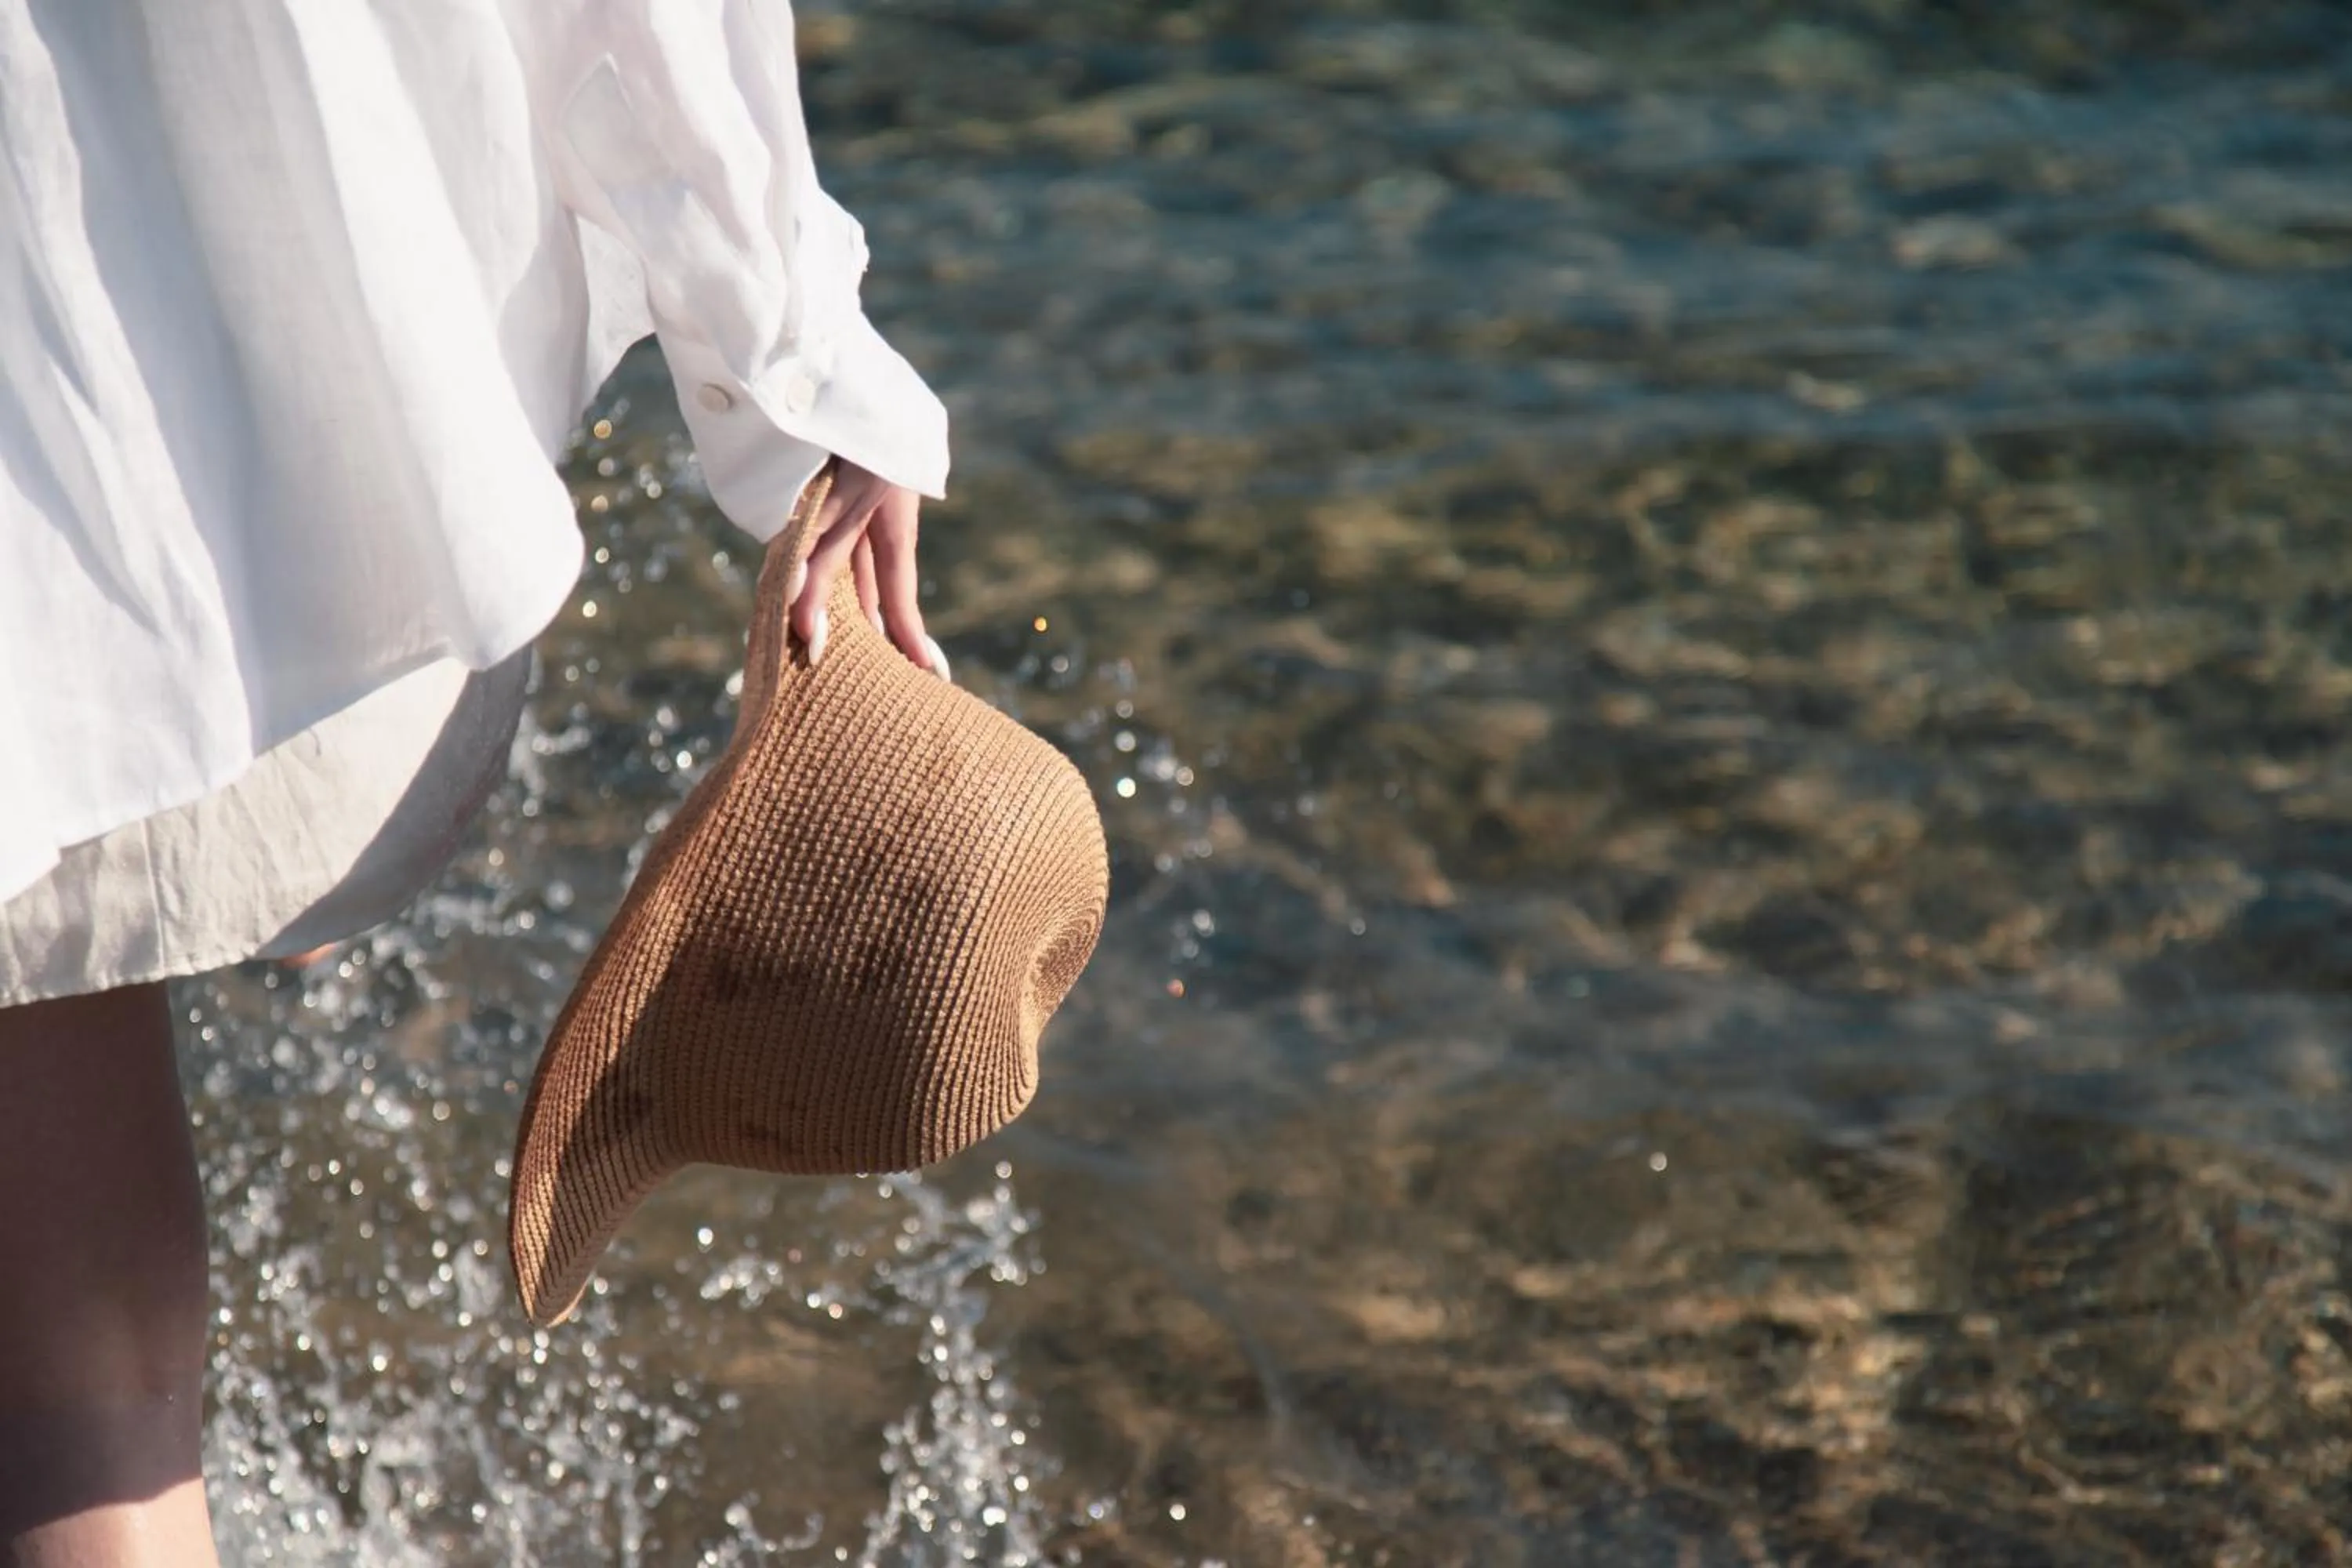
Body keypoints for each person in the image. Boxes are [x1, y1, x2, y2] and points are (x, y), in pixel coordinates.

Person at [0, 2, 953, 1561]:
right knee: (80, 1414)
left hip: (90, 488)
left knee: (70, 1398)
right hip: (190, 482)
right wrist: (797, 357)